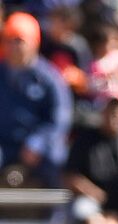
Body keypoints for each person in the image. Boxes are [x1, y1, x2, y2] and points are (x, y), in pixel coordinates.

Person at [0, 12, 73, 187]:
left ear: (34, 42)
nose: (14, 46)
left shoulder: (49, 78)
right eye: (9, 40)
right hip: (4, 144)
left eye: (19, 41)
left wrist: (37, 142)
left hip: (37, 146)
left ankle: (53, 214)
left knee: (55, 157)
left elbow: (60, 119)